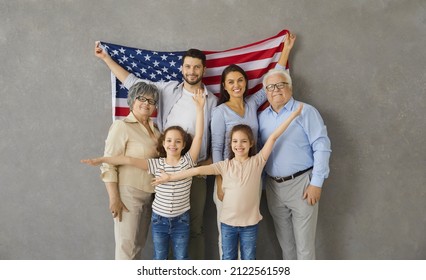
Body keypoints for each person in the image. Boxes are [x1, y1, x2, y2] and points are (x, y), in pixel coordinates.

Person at [95, 43, 217, 259]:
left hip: (195, 171)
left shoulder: (212, 101)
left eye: (197, 67)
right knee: (164, 229)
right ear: (181, 69)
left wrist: (210, 166)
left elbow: (214, 138)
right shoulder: (168, 89)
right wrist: (106, 59)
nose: (192, 71)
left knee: (194, 228)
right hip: (163, 170)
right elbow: (134, 84)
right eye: (187, 66)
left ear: (203, 70)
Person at [151, 103, 302, 260]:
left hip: (249, 225)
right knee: (228, 259)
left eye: (243, 141)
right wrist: (170, 177)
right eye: (235, 141)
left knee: (249, 260)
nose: (239, 145)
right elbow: (197, 170)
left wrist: (293, 115)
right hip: (228, 225)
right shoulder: (224, 166)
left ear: (251, 143)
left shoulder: (258, 162)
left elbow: (273, 137)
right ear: (230, 144)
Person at [82, 91, 205, 260]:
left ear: (184, 144)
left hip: (180, 219)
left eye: (178, 141)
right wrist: (102, 159)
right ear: (162, 143)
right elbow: (129, 160)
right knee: (157, 257)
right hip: (158, 219)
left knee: (180, 257)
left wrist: (200, 109)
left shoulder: (188, 161)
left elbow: (198, 136)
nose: (173, 144)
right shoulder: (157, 164)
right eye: (169, 140)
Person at [210, 32, 296, 258]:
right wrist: (220, 182)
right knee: (227, 236)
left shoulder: (252, 103)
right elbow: (217, 148)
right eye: (231, 82)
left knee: (248, 232)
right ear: (225, 86)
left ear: (245, 83)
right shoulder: (219, 112)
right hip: (228, 178)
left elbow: (273, 79)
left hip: (252, 177)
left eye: (240, 80)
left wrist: (285, 51)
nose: (236, 85)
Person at [258, 67, 332, 260]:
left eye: (281, 85)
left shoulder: (306, 111)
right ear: (265, 92)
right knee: (286, 247)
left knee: (305, 249)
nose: (275, 90)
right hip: (273, 187)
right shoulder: (262, 117)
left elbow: (322, 146)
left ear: (290, 88)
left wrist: (316, 183)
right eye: (271, 87)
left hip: (302, 185)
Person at [97, 82, 161, 259]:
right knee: (127, 249)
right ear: (132, 100)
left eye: (151, 100)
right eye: (142, 98)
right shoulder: (121, 126)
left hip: (151, 196)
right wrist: (114, 198)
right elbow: (108, 163)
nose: (146, 103)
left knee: (138, 246)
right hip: (128, 195)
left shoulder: (156, 131)